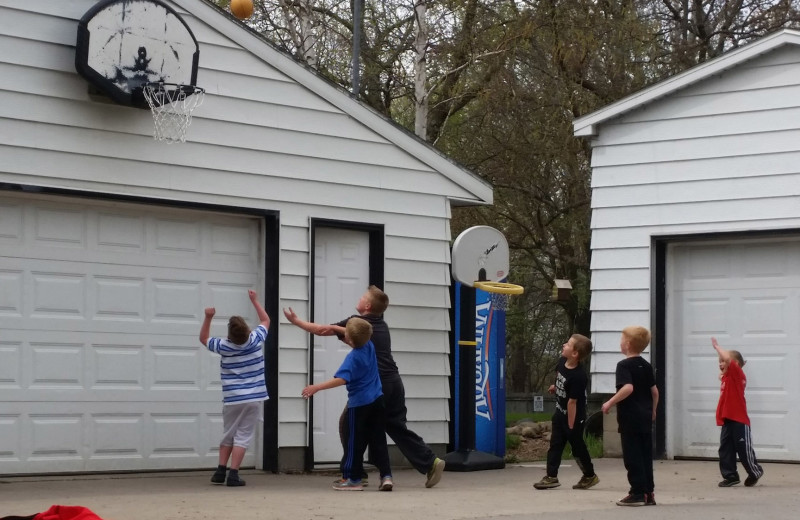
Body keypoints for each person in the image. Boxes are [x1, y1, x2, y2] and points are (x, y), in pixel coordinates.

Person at [284, 285, 446, 488]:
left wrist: (296, 321)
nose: (359, 298)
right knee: (395, 426)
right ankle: (430, 462)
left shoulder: (358, 324)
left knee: (348, 425)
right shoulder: (379, 326)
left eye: (362, 297)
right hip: (395, 383)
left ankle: (355, 474)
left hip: (375, 388)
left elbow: (323, 330)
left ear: (367, 305)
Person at [301, 317, 393, 491]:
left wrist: (316, 387)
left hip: (359, 405)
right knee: (379, 440)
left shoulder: (352, 358)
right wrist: (339, 329)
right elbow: (355, 334)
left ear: (349, 339)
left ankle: (353, 479)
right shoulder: (369, 345)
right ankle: (386, 476)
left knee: (354, 442)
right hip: (378, 401)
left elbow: (341, 379)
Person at [199, 289, 270, 487]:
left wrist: (208, 317)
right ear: (248, 331)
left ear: (229, 334)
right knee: (243, 436)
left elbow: (204, 339)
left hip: (232, 399)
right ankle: (233, 474)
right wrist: (255, 301)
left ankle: (220, 470)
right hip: (254, 398)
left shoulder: (224, 346)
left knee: (228, 432)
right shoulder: (255, 340)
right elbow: (266, 321)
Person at [601, 326, 659, 506]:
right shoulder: (646, 365)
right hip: (645, 417)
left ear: (627, 344)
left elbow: (628, 388)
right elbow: (655, 392)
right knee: (645, 456)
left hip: (630, 418)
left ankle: (637, 493)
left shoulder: (623, 365)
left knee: (632, 457)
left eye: (621, 339)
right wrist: (654, 410)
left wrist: (610, 402)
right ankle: (649, 492)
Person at [533, 334, 599, 491]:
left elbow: (572, 402)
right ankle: (551, 477)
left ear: (575, 354)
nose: (564, 345)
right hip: (560, 413)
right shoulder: (562, 361)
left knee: (577, 447)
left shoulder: (578, 376)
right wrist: (555, 386)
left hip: (574, 417)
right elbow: (559, 377)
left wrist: (570, 426)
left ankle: (589, 476)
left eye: (568, 344)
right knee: (555, 444)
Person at [711, 337, 764, 487]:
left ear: (737, 365)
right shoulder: (728, 377)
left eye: (723, 361)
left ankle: (755, 471)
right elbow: (724, 373)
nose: (721, 364)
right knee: (725, 449)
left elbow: (728, 359)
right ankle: (731, 476)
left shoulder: (737, 374)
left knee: (744, 450)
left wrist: (717, 347)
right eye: (719, 362)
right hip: (727, 419)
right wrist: (722, 376)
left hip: (739, 420)